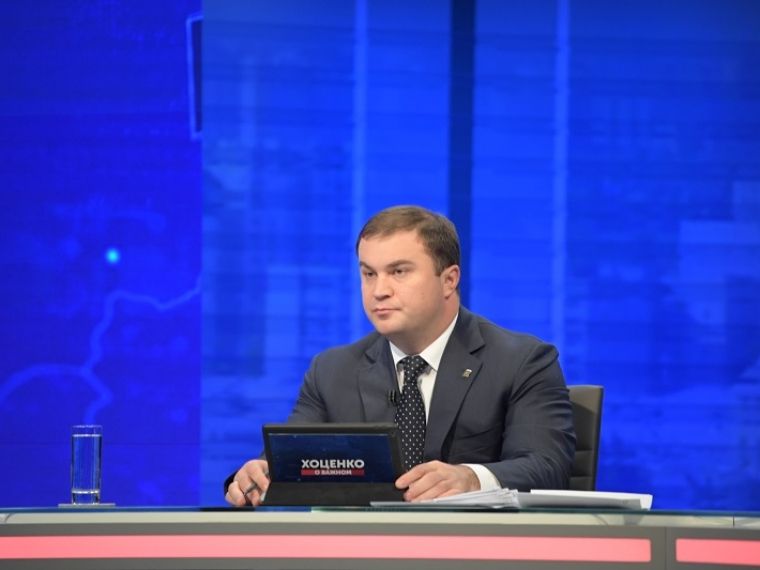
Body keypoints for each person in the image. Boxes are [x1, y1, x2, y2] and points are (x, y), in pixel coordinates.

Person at [225, 205, 575, 506]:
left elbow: (548, 465)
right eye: (369, 274)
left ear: (449, 279)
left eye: (399, 272)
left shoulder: (521, 362)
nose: (379, 290)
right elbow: (290, 462)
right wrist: (259, 474)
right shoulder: (331, 371)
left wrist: (470, 478)